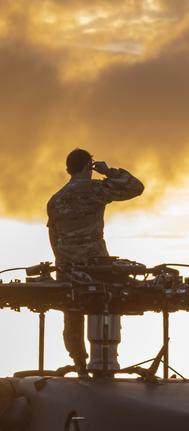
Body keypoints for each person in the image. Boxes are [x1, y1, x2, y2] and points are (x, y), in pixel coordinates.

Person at [46, 149, 144, 371]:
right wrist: (108, 171)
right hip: (96, 266)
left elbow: (53, 235)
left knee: (72, 316)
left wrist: (61, 261)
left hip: (67, 268)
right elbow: (136, 187)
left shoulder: (55, 199)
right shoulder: (94, 190)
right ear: (87, 167)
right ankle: (106, 362)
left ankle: (79, 363)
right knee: (106, 308)